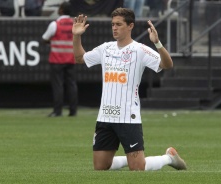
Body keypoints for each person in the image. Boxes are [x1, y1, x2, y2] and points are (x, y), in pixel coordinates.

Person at [72, 7, 187, 171]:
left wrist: (157, 43)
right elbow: (79, 58)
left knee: (138, 169)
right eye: (113, 24)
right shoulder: (106, 48)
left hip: (128, 117)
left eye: (119, 24)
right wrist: (76, 36)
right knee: (100, 167)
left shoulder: (139, 50)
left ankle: (169, 157)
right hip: (105, 117)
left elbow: (167, 64)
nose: (114, 28)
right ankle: (131, 159)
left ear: (130, 26)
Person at [42, 2, 78, 117]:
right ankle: (73, 111)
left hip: (57, 59)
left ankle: (57, 111)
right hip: (71, 59)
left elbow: (44, 38)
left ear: (61, 10)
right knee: (72, 85)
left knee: (58, 86)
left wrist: (51, 42)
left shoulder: (55, 24)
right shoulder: (74, 24)